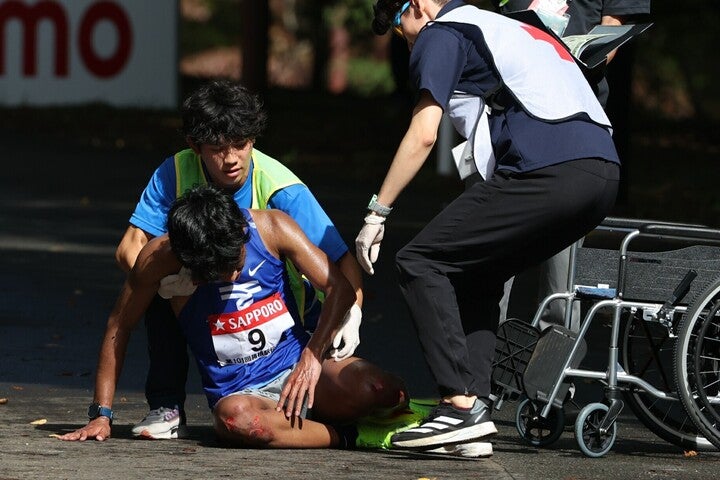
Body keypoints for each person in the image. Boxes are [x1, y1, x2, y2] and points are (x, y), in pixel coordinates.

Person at [356, 0, 620, 453]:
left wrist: (377, 212)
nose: (407, 40)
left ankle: (457, 407)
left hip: (550, 170)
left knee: (421, 260)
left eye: (402, 25)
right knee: (476, 270)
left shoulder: (445, 30)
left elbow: (424, 132)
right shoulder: (508, 26)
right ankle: (474, 411)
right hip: (603, 172)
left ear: (418, 5)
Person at [59, 185, 408, 448]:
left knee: (375, 388)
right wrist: (101, 415)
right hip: (242, 393)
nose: (233, 278)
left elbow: (340, 289)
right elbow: (119, 325)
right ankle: (348, 435)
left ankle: (383, 407)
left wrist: (313, 356)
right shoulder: (159, 258)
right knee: (237, 421)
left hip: (300, 369)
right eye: (218, 272)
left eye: (237, 264)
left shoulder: (272, 227)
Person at [115, 80, 364, 439]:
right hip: (204, 292)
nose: (231, 158)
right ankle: (167, 406)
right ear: (195, 147)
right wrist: (178, 275)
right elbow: (129, 248)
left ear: (253, 140)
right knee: (152, 287)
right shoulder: (173, 172)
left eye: (240, 145)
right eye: (217, 148)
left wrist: (353, 310)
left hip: (281, 309)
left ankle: (316, 413)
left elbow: (342, 262)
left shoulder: (283, 190)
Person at [494, 0, 652, 332]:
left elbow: (612, 30)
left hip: (573, 118)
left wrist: (573, 60)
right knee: (490, 257)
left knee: (561, 277)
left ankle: (553, 379)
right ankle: (476, 376)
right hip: (507, 116)